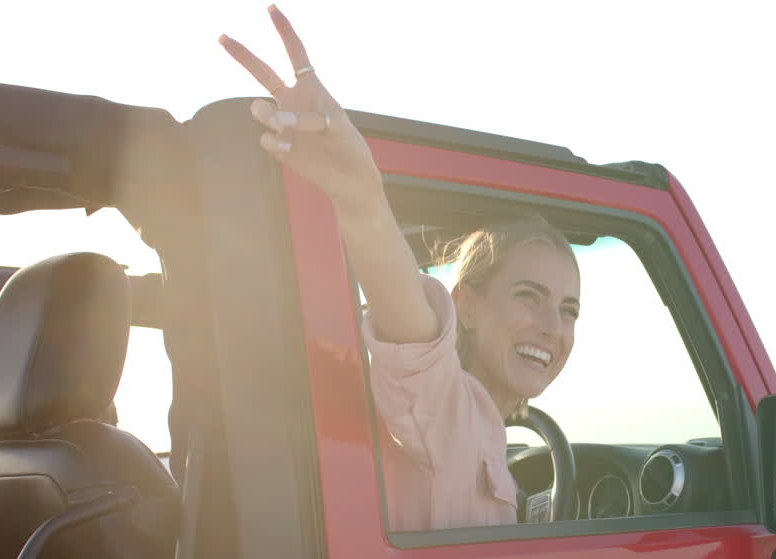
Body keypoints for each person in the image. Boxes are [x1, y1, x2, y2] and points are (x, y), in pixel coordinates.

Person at [220, 6, 581, 531]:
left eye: (569, 308)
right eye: (530, 296)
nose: (553, 325)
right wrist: (360, 196)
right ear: (468, 306)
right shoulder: (447, 409)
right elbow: (416, 343)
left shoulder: (480, 430)